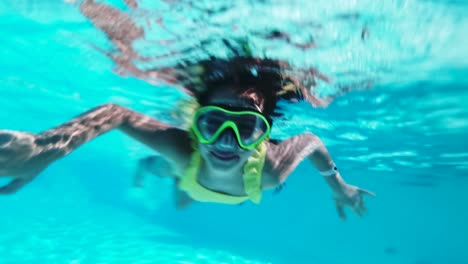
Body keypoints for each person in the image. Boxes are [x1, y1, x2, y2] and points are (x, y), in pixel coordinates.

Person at [0, 54, 374, 220]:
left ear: (263, 138)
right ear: (196, 126)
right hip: (186, 170)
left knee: (182, 192)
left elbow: (311, 139)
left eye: (244, 129)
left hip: (199, 177)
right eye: (213, 124)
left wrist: (337, 186)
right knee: (173, 173)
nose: (227, 142)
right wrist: (43, 149)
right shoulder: (188, 151)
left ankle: (155, 168)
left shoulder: (271, 171)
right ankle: (148, 167)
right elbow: (114, 114)